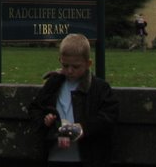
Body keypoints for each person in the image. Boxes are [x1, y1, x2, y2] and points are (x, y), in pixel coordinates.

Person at [31, 33, 118, 166]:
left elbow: (108, 116)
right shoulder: (53, 84)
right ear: (60, 60)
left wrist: (83, 128)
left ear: (88, 64)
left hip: (86, 157)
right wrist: (45, 121)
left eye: (76, 67)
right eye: (65, 66)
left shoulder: (99, 88)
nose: (70, 71)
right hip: (55, 155)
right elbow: (35, 108)